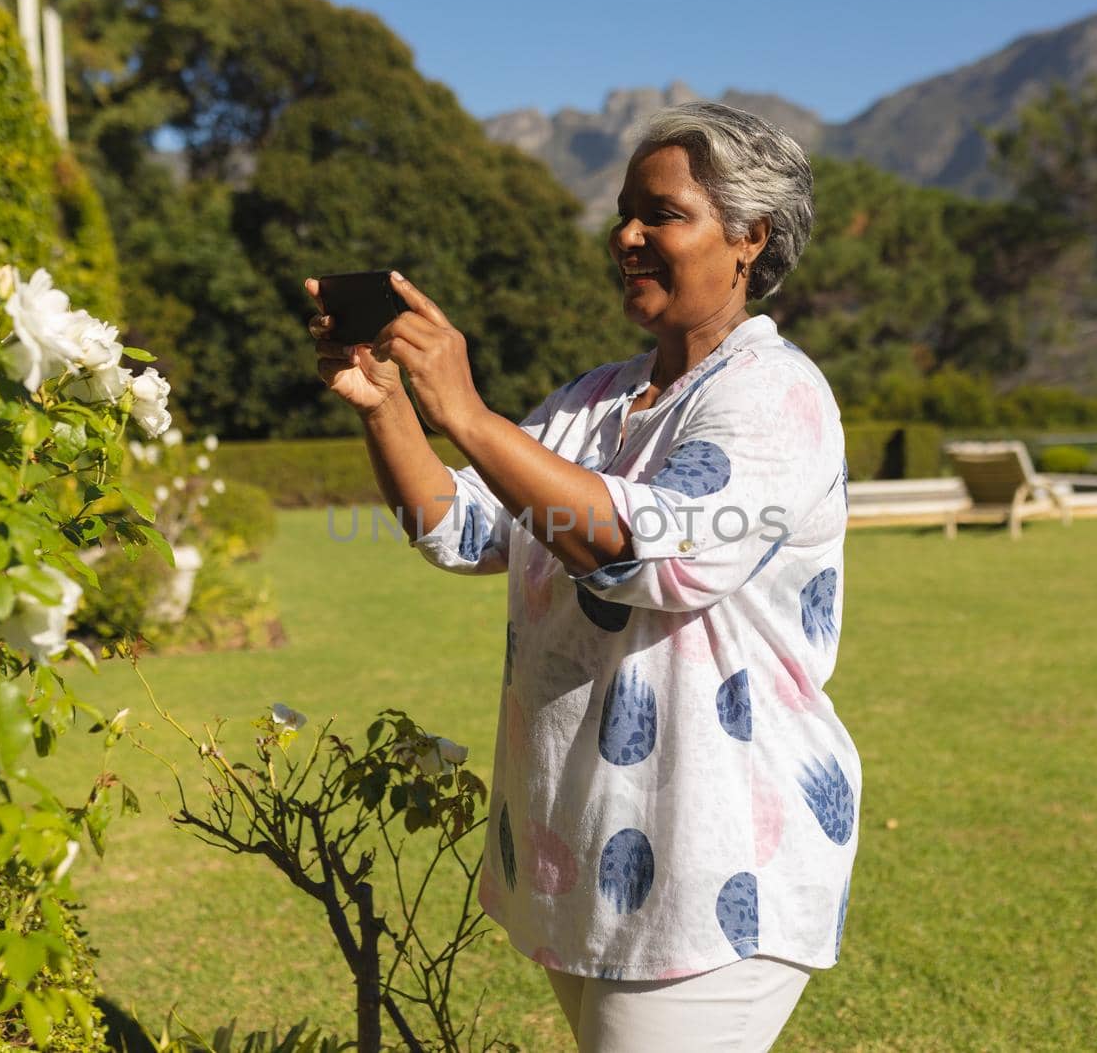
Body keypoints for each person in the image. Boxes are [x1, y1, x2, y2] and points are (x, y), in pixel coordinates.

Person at [307, 101, 858, 1053]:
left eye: (663, 213)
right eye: (623, 210)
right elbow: (463, 527)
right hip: (594, 860)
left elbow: (651, 550)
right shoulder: (597, 401)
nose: (627, 235)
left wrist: (471, 416)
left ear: (748, 239)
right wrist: (389, 403)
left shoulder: (775, 394)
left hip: (712, 868)